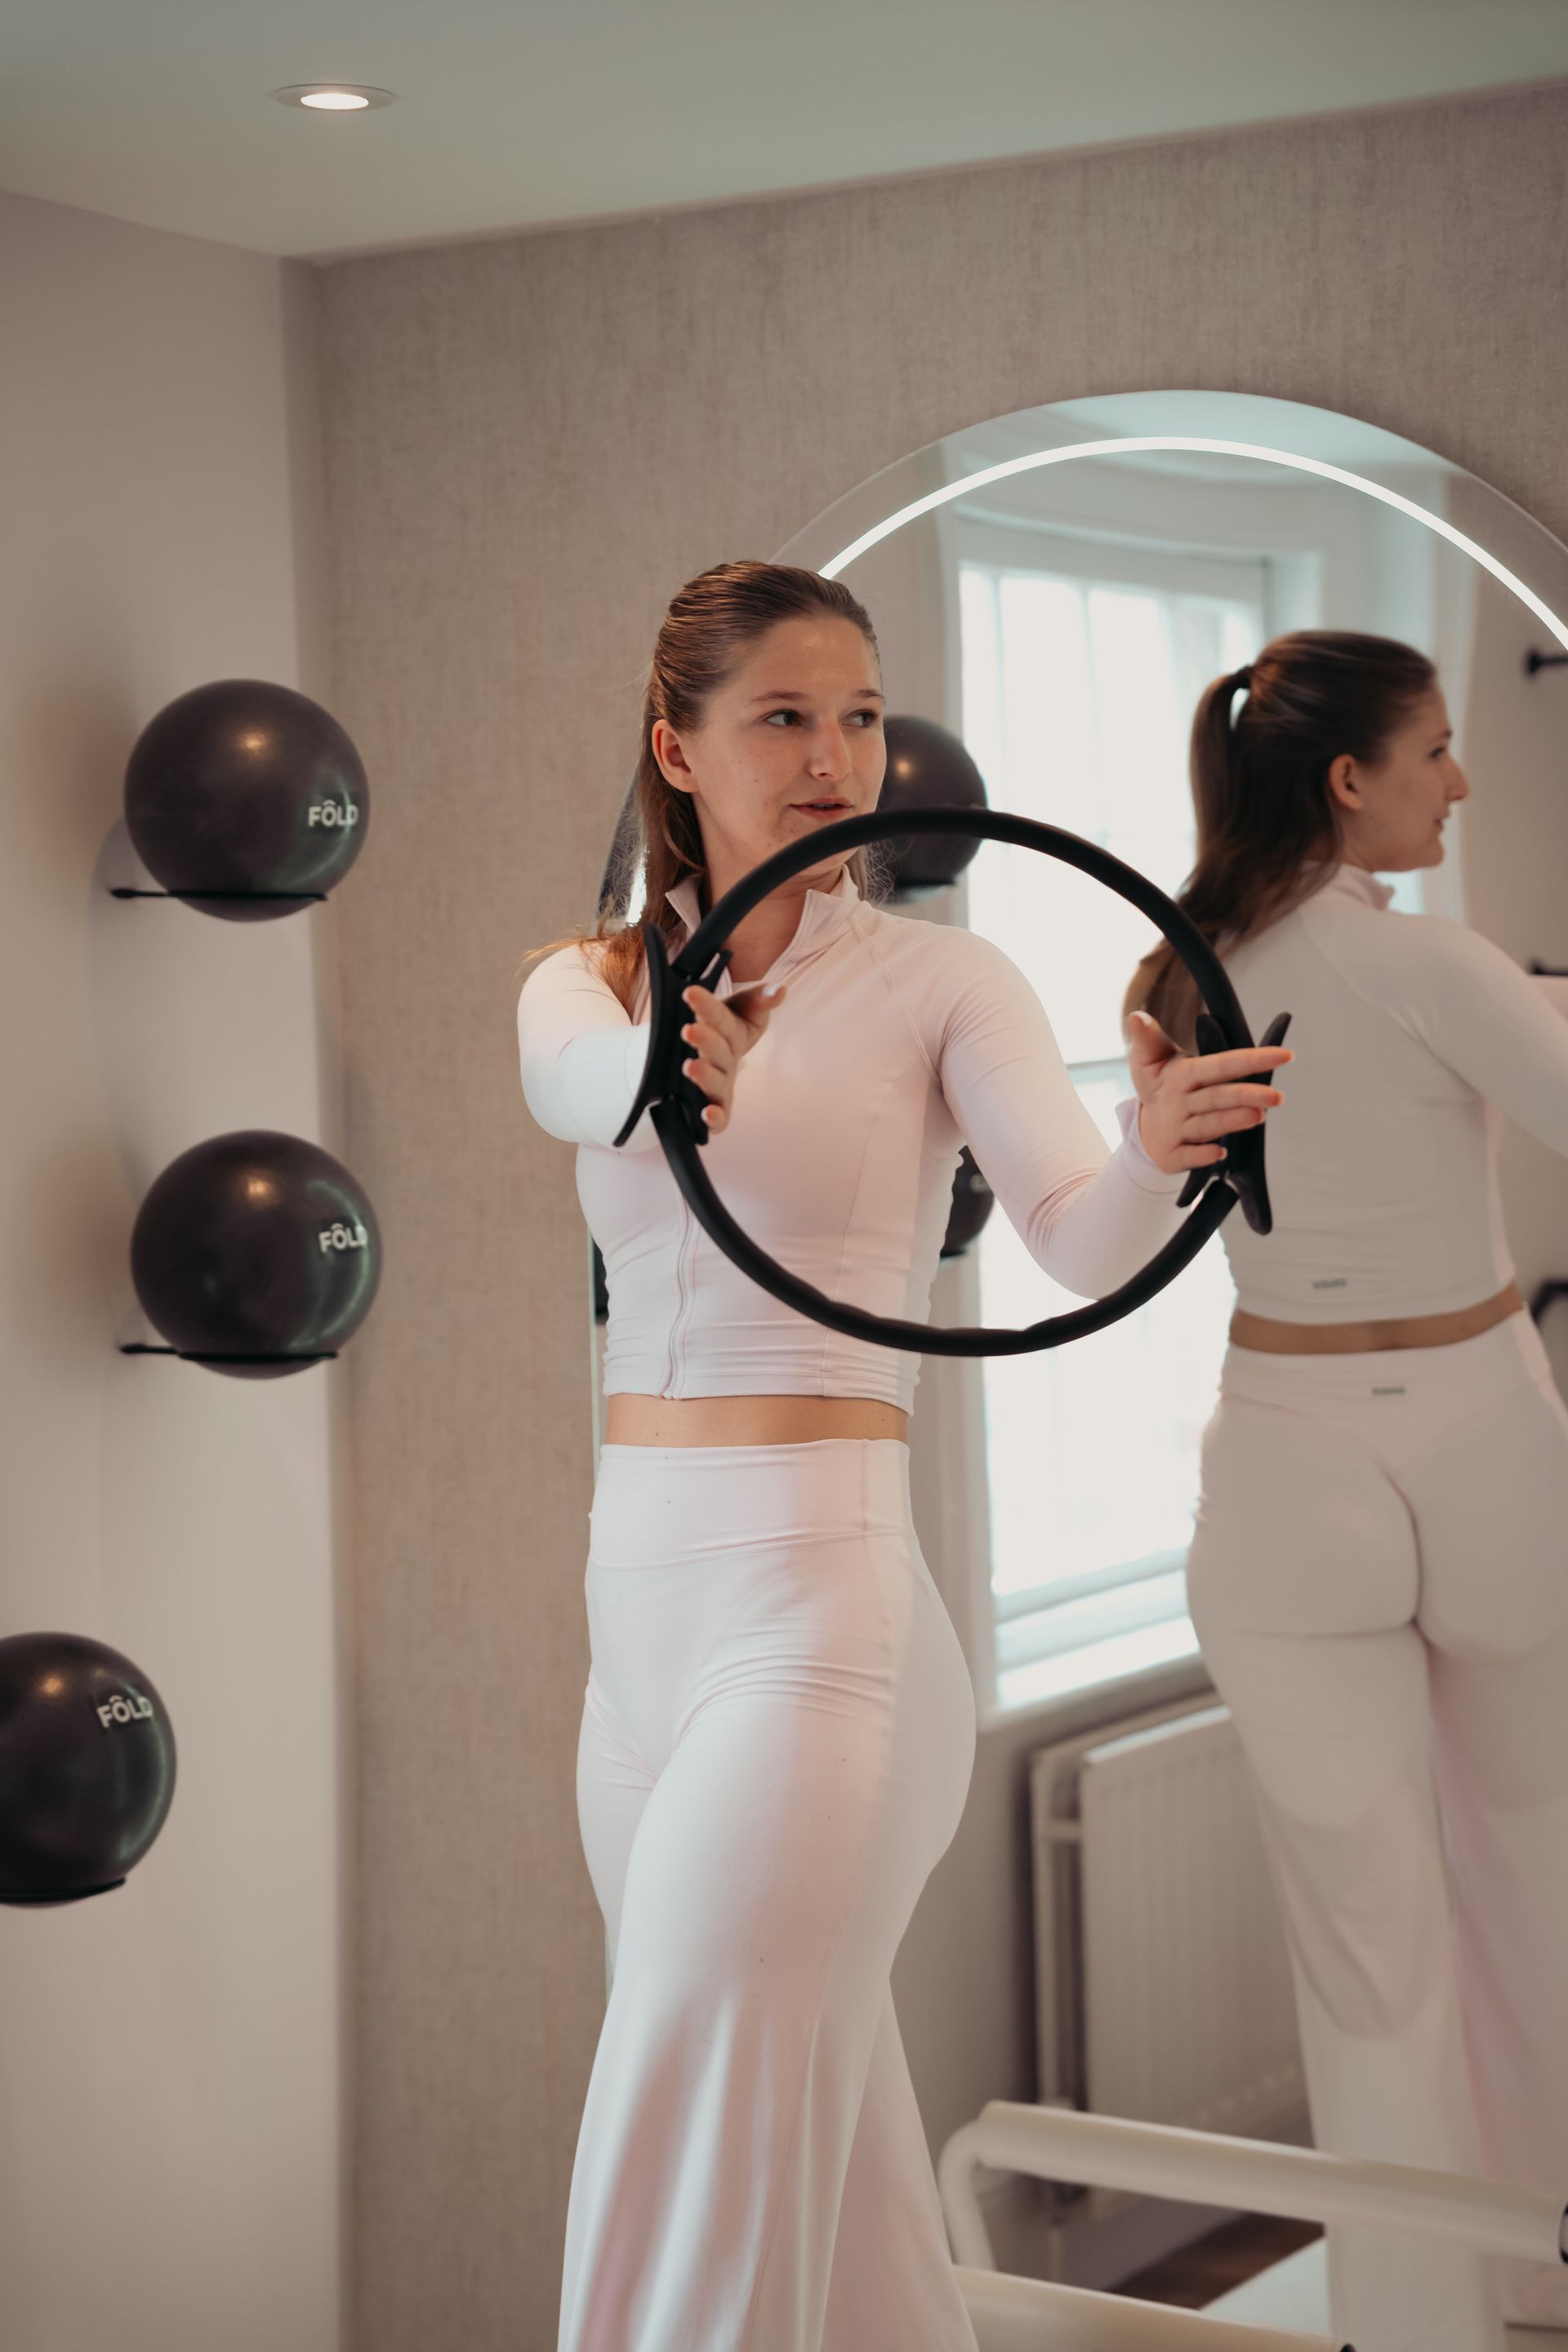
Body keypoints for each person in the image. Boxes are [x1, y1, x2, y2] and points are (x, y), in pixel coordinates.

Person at [518, 559, 1288, 2352]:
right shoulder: (585, 983)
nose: (833, 755)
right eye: (782, 715)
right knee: (825, 2157)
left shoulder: (944, 978)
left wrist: (1160, 1147)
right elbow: (585, 1086)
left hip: (819, 1619)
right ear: (678, 748)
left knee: (681, 2133)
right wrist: (669, 1062)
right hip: (635, 1638)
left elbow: (1081, 1243)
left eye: (856, 714)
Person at [1126, 631, 1568, 2352]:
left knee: (1365, 1949)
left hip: (1286, 1451)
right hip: (1478, 1431)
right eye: (1438, 752)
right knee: (1537, 1884)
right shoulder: (1437, 963)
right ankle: (1545, 2283)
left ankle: (1418, 2325)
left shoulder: (1177, 977)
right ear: (1347, 780)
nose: (1457, 781)